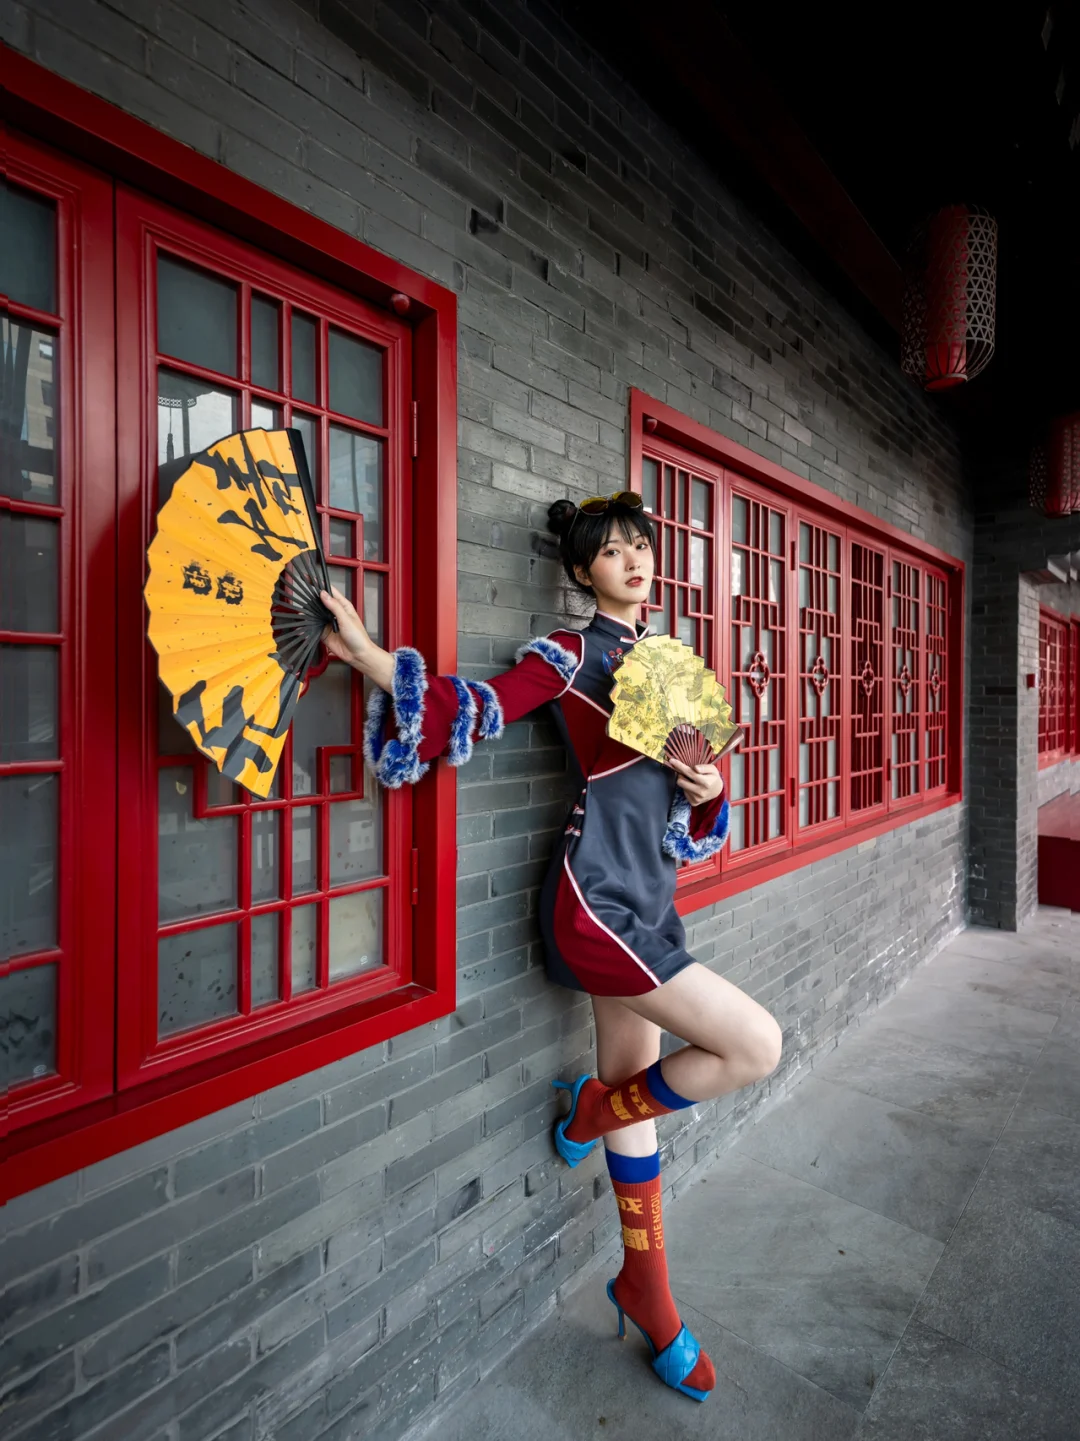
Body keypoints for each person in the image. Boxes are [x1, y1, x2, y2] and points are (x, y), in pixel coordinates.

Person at [320, 492, 782, 1404]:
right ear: (581, 572)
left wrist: (710, 790)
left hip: (651, 896)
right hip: (595, 897)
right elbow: (477, 706)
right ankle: (590, 1114)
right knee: (754, 1045)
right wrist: (373, 658)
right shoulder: (569, 656)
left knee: (640, 1091)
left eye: (640, 545)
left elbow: (690, 810)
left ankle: (645, 1286)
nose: (634, 560)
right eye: (611, 552)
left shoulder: (665, 660)